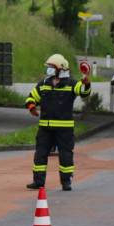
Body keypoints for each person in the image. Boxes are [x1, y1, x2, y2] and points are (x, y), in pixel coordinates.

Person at [26, 54, 91, 192]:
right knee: (40, 154)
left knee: (66, 155)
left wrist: (86, 82)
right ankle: (38, 181)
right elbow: (32, 97)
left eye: (51, 67)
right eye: (48, 67)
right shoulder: (44, 84)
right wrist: (31, 106)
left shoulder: (72, 84)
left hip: (64, 129)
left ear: (60, 69)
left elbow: (84, 92)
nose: (48, 70)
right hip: (45, 128)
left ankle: (66, 182)